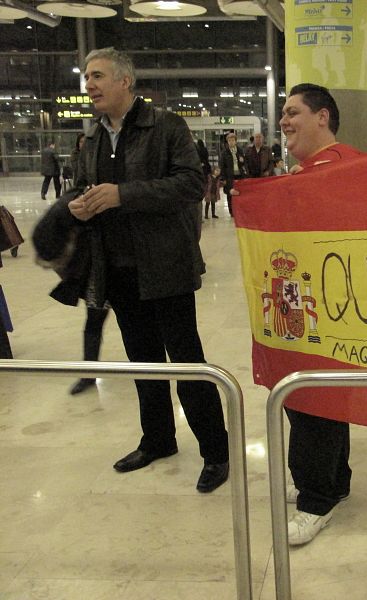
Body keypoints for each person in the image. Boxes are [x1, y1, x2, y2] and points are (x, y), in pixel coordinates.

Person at [69, 47, 229, 493]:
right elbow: (81, 186)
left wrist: (123, 195)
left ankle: (216, 452)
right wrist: (79, 204)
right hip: (119, 271)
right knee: (143, 363)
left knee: (188, 364)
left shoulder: (166, 126)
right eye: (87, 77)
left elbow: (191, 184)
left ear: (125, 81)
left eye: (97, 76)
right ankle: (158, 440)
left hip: (165, 267)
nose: (89, 84)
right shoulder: (94, 136)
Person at [278, 83, 362, 546]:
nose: (284, 121)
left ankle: (316, 499)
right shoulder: (319, 169)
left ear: (323, 117)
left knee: (310, 398)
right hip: (315, 303)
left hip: (324, 309)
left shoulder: (336, 169)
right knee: (327, 399)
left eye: (293, 112)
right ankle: (333, 481)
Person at [69, 305, 110, 395]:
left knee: (133, 322)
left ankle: (142, 368)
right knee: (93, 323)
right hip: (99, 297)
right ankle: (89, 373)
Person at [220, 131, 246, 216]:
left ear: (235, 141)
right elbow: (222, 166)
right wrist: (223, 178)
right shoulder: (224, 152)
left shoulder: (240, 150)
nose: (231, 142)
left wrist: (242, 162)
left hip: (239, 175)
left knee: (240, 192)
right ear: (227, 142)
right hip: (229, 176)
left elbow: (243, 163)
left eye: (233, 140)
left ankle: (240, 210)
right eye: (229, 140)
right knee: (230, 193)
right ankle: (232, 212)